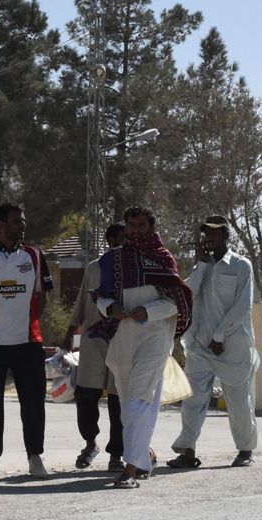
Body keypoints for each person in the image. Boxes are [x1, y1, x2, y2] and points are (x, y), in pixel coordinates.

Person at [91, 205, 192, 489]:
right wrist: (111, 308)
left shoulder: (162, 258)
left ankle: (131, 470)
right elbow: (101, 297)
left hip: (155, 337)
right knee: (128, 407)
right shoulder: (112, 259)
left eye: (141, 226)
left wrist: (148, 311)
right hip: (123, 338)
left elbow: (176, 303)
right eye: (131, 225)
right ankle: (144, 457)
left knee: (138, 401)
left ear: (152, 227)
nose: (136, 231)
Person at [0, 204, 54, 483]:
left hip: (29, 343)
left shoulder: (34, 254)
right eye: (17, 221)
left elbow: (43, 296)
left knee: (33, 404)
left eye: (23, 221)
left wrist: (25, 323)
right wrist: (0, 323)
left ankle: (35, 458)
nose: (22, 226)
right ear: (1, 224)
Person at [168, 215, 259, 468]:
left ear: (226, 235)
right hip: (200, 345)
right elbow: (189, 294)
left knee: (238, 400)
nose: (209, 237)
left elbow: (243, 306)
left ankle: (245, 450)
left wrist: (219, 336)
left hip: (232, 344)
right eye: (206, 233)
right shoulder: (202, 266)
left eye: (215, 233)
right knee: (193, 399)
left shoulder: (241, 265)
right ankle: (187, 451)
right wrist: (201, 264)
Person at [60, 223, 126, 472]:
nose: (126, 242)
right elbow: (81, 303)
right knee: (86, 395)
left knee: (118, 400)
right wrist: (69, 333)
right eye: (122, 238)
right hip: (93, 340)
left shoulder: (134, 269)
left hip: (122, 341)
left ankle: (116, 454)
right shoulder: (94, 268)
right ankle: (90, 443)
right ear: (111, 240)